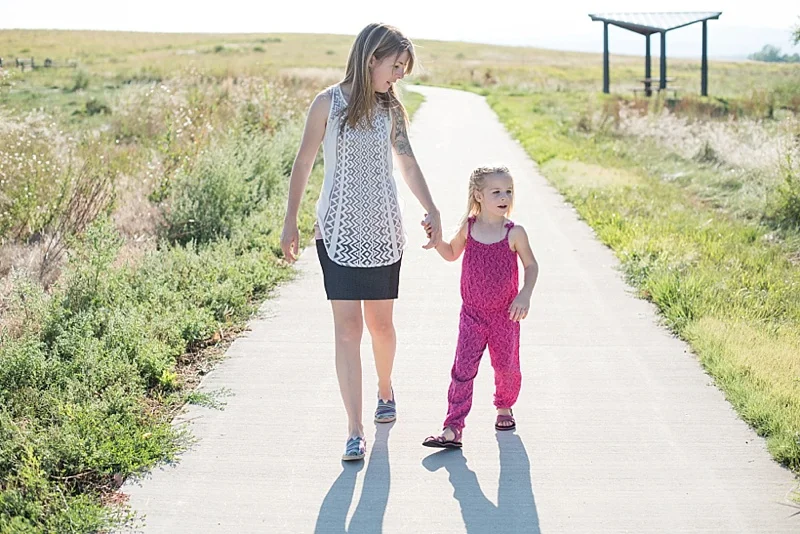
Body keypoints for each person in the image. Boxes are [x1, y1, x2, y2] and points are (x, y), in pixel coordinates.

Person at [280, 22, 442, 461]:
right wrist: (290, 220)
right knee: (348, 330)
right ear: (372, 58)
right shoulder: (327, 104)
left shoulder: (392, 111)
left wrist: (431, 207)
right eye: (395, 67)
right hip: (337, 232)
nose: (399, 77)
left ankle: (385, 389)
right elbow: (304, 162)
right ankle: (354, 430)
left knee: (381, 327)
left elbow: (407, 163)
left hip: (384, 231)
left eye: (403, 70)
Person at [422, 166, 538, 449]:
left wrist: (525, 294)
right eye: (496, 192)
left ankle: (504, 407)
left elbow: (531, 266)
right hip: (472, 314)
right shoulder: (470, 228)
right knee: (462, 369)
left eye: (508, 191)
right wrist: (435, 239)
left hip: (505, 314)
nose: (504, 197)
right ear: (478, 195)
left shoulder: (514, 233)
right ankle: (453, 426)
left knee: (506, 366)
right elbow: (451, 254)